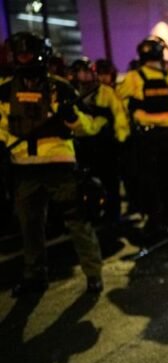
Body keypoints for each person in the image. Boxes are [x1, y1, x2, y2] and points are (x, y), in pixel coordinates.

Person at [1, 32, 105, 295]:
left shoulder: (61, 87)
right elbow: (2, 126)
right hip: (24, 168)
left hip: (60, 168)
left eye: (28, 53)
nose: (23, 58)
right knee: (30, 226)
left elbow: (87, 128)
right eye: (19, 53)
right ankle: (34, 276)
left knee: (78, 222)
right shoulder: (5, 90)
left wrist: (71, 117)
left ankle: (93, 274)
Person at [118, 36, 168, 242]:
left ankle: (154, 221)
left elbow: (120, 104)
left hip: (146, 136)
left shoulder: (133, 78)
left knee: (149, 181)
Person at [69, 57, 129, 228]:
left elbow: (119, 116)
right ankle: (91, 212)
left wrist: (121, 138)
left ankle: (113, 214)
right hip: (82, 144)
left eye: (87, 72)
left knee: (110, 182)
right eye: (81, 72)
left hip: (105, 144)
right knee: (85, 182)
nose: (85, 75)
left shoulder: (105, 92)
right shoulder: (72, 92)